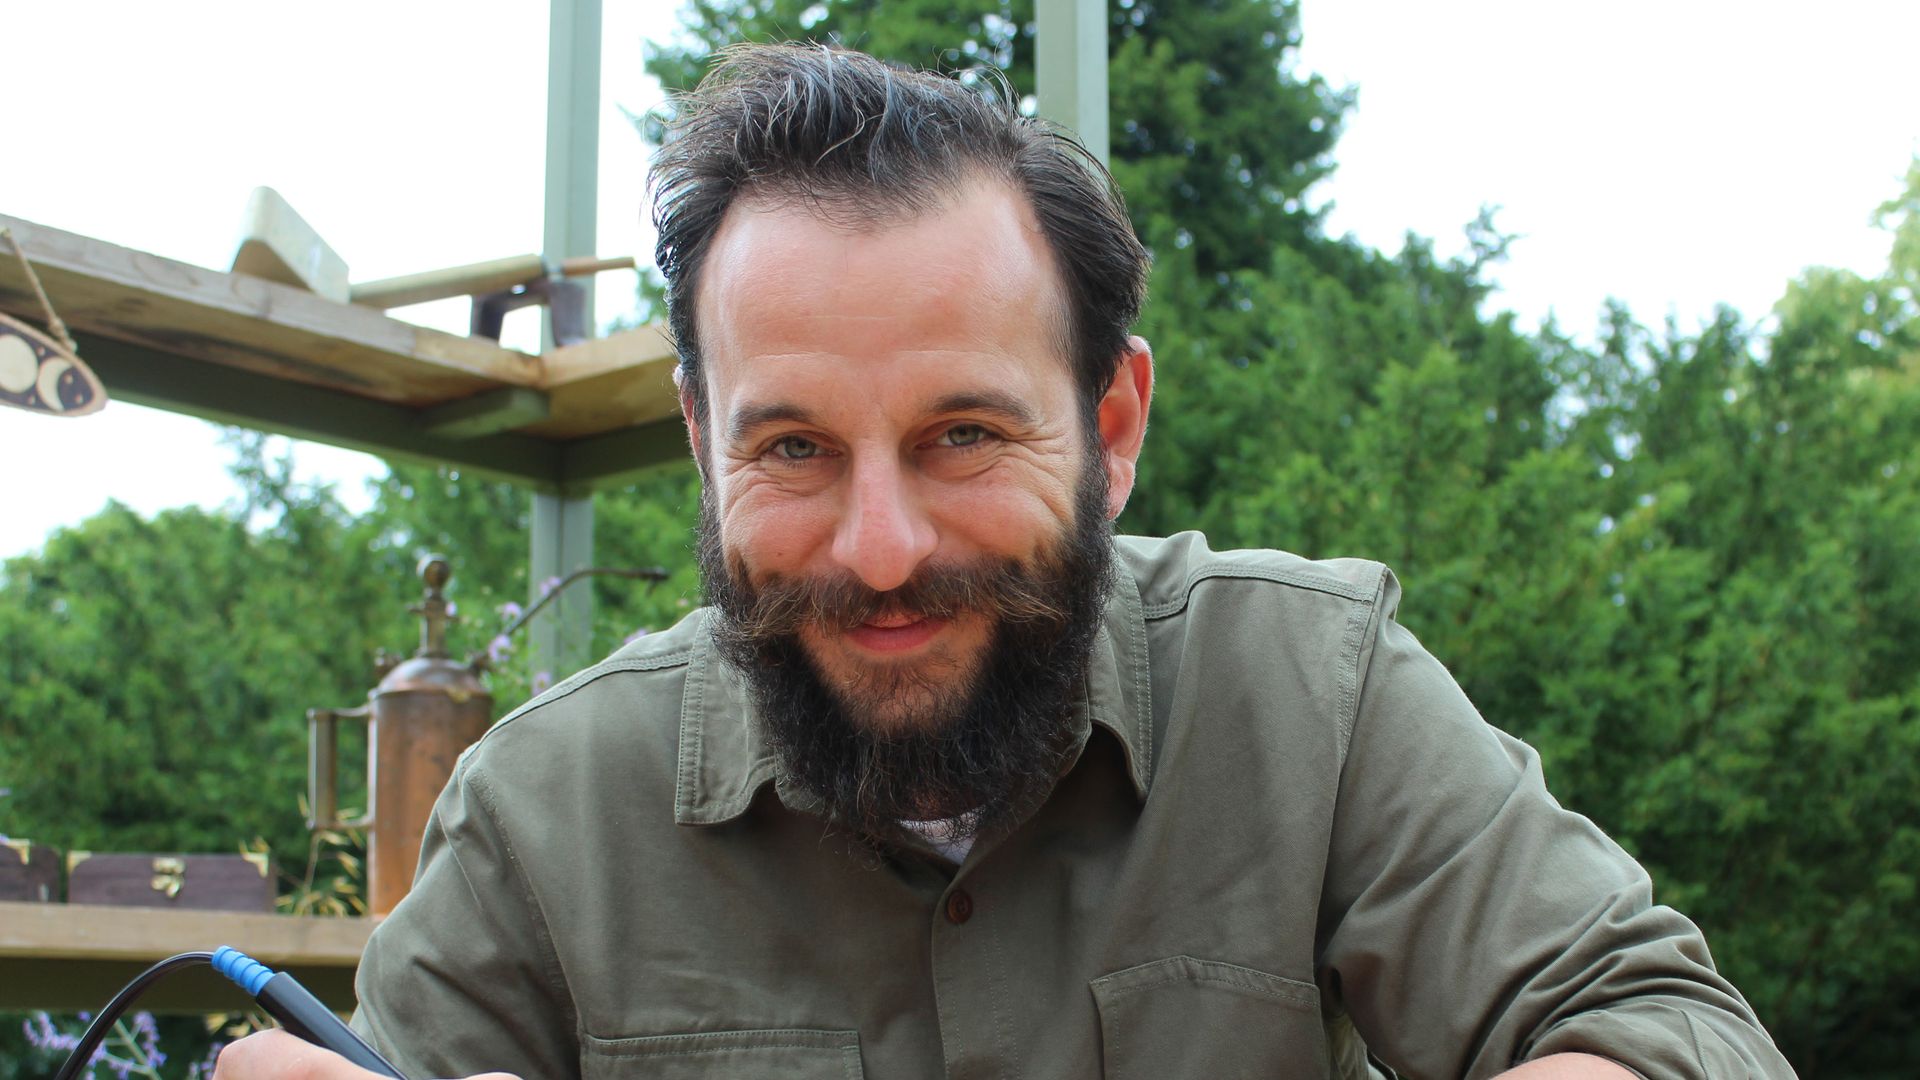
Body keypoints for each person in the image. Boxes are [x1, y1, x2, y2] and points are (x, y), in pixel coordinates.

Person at [215, 43, 1793, 1080]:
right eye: (794, 449)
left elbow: (1663, 1030)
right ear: (702, 444)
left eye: (965, 434)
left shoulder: (1311, 690)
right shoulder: (545, 811)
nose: (881, 548)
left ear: (1111, 421)